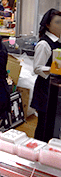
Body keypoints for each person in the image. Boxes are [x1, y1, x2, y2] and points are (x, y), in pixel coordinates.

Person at [31, 9, 61, 142]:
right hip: (45, 89)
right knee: (44, 126)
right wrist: (54, 69)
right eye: (58, 22)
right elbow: (37, 68)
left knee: (53, 125)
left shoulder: (58, 41)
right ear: (48, 25)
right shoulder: (44, 44)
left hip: (55, 89)